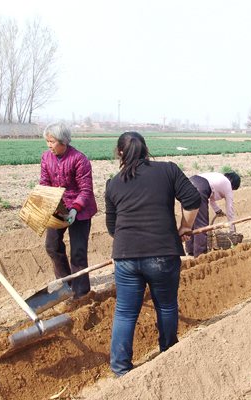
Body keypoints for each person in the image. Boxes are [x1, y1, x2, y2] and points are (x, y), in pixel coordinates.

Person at [105, 131, 201, 378]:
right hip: (163, 254)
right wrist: (185, 227)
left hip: (125, 257)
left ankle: (120, 369)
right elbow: (192, 198)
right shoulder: (168, 170)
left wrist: (130, 244)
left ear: (120, 153)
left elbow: (112, 227)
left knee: (125, 312)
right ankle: (168, 354)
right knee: (166, 306)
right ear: (146, 149)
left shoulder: (113, 183)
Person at [40, 121, 97, 299]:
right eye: (47, 141)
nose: (49, 145)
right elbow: (45, 183)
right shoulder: (46, 157)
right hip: (58, 207)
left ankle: (81, 293)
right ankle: (65, 283)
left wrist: (75, 209)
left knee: (78, 252)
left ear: (64, 141)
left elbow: (86, 190)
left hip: (80, 210)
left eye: (53, 141)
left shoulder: (79, 159)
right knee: (52, 246)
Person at [185, 171, 241, 258]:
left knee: (190, 219)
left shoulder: (218, 178)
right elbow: (230, 209)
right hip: (200, 187)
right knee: (201, 224)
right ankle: (200, 255)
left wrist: (218, 211)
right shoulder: (227, 185)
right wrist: (232, 230)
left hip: (188, 183)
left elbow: (211, 199)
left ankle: (190, 249)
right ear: (233, 185)